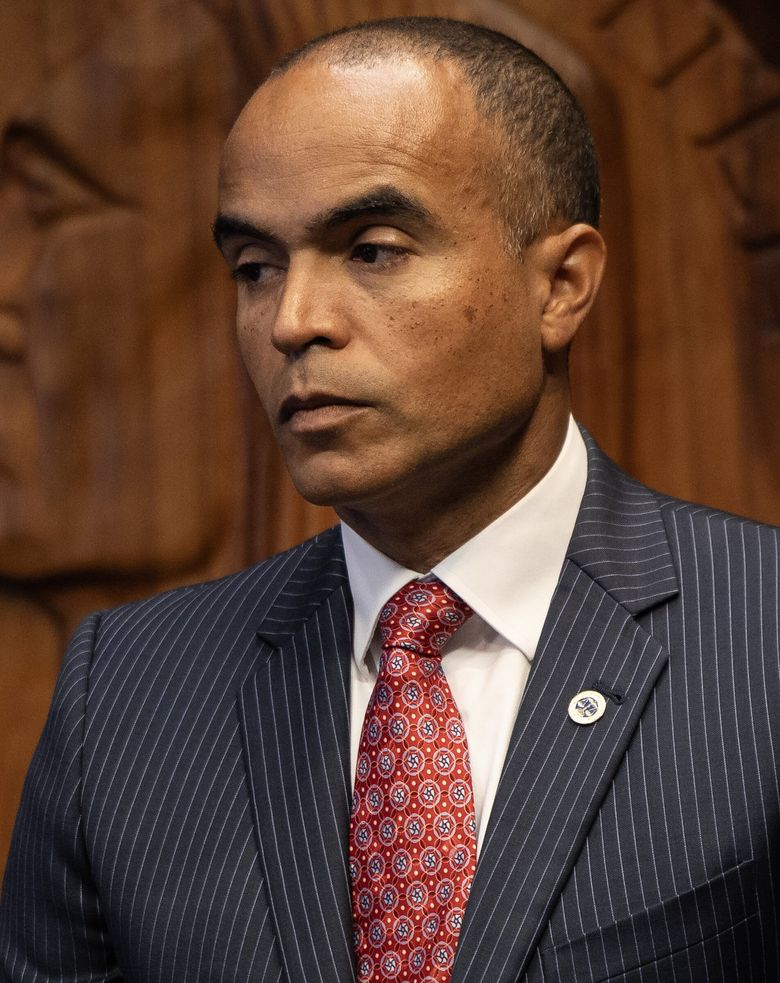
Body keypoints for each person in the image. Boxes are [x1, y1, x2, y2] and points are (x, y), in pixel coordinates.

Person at [1, 15, 778, 983]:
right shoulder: (123, 695)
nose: (292, 321)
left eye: (371, 250)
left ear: (561, 286)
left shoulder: (762, 632)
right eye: (255, 269)